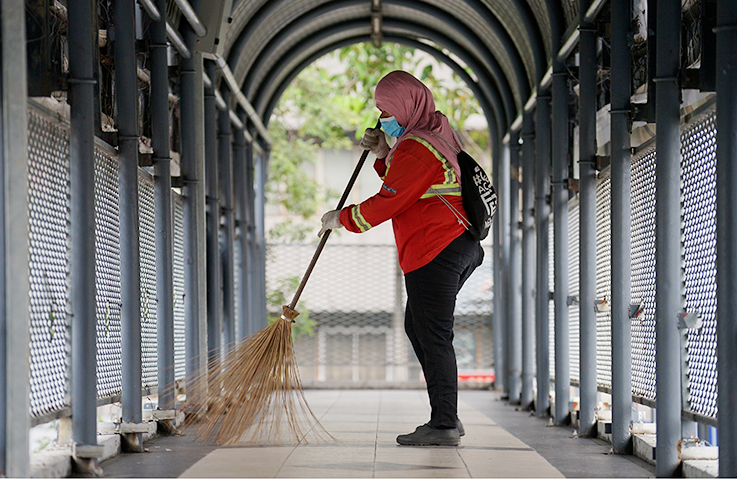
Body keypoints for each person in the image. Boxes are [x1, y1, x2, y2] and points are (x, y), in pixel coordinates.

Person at [318, 70, 484, 447]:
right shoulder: (432, 135)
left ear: (405, 107)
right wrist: (382, 154)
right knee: (419, 327)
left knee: (433, 334)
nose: (381, 119)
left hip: (436, 248)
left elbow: (391, 199)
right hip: (452, 245)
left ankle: (443, 422)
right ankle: (446, 415)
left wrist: (341, 218)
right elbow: (407, 182)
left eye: (386, 110)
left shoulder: (416, 147)